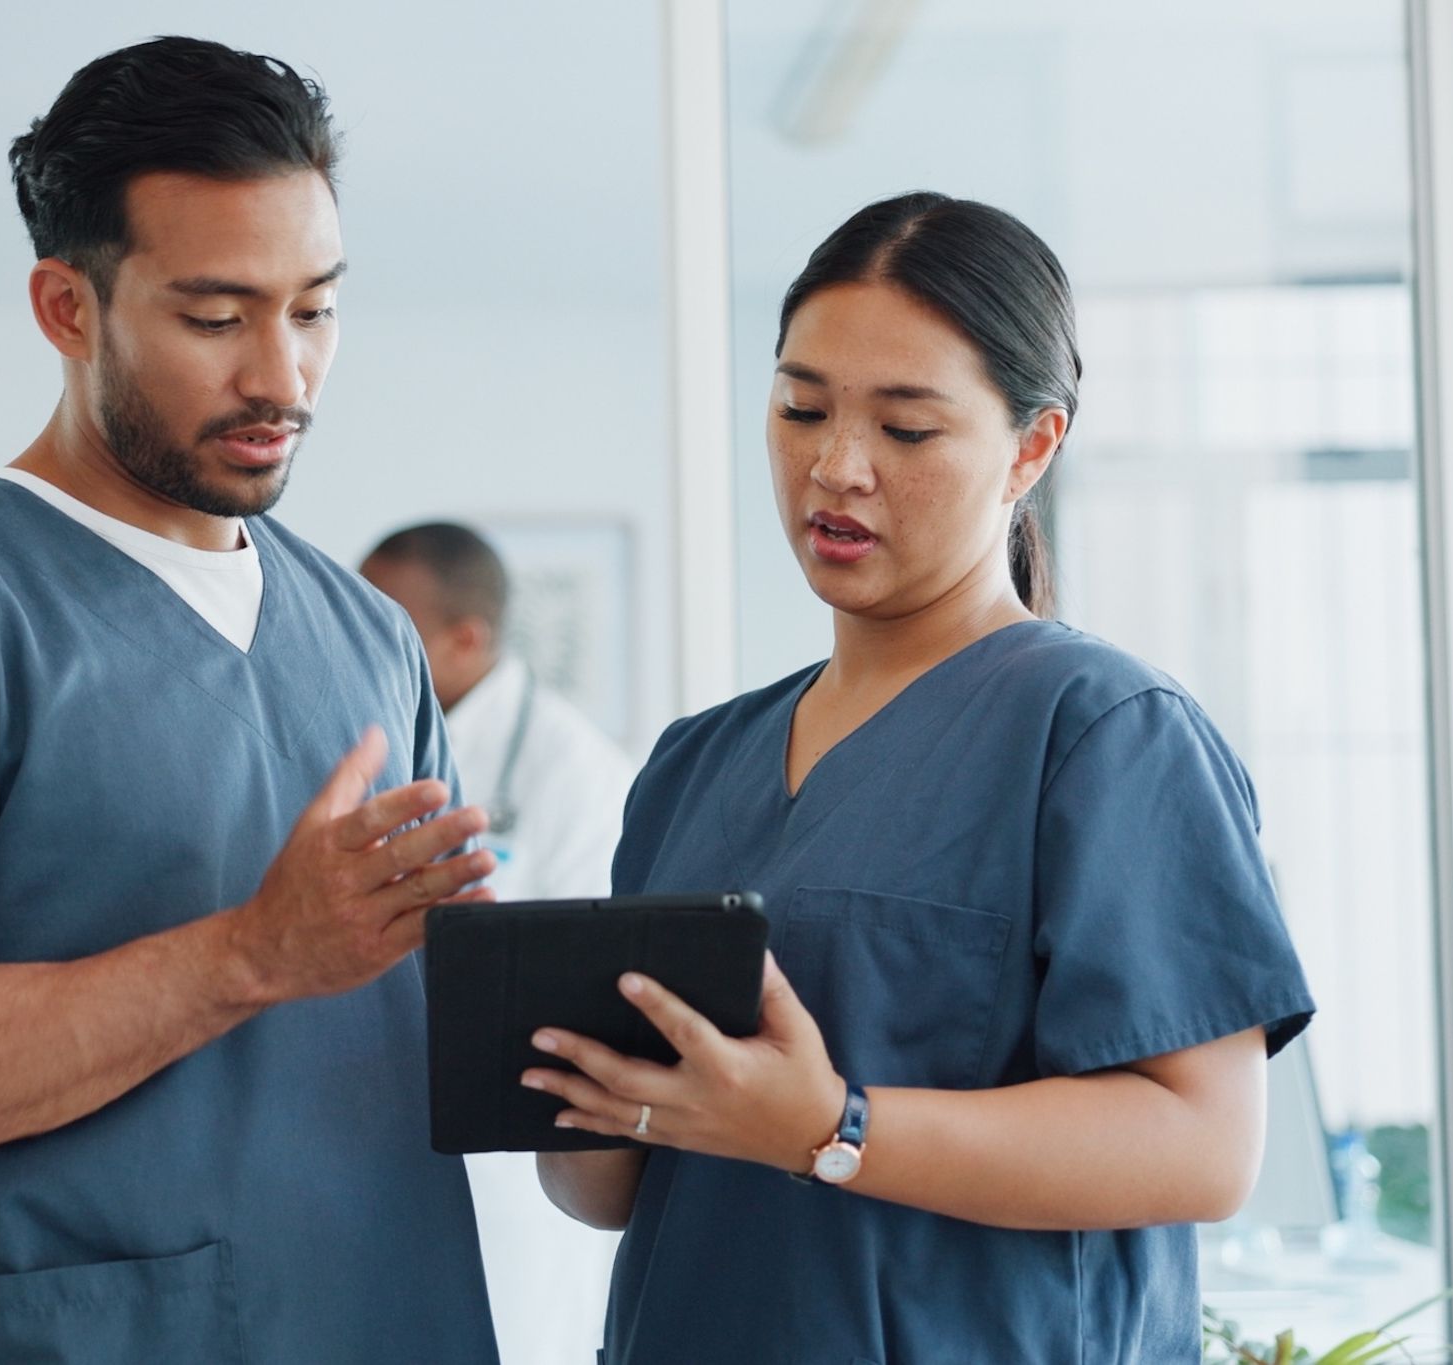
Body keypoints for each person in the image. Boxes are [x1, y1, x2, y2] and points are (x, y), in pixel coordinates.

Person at [0, 38, 503, 1364]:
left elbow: (405, 1026)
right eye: (214, 316)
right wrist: (249, 953)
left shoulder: (366, 635)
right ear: (67, 308)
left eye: (314, 309)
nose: (283, 377)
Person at [529, 193, 1315, 1364]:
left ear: (1031, 448)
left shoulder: (1104, 732)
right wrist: (556, 1065)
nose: (833, 467)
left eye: (904, 431)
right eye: (800, 408)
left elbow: (1203, 1149)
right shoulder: (696, 762)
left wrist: (827, 1129)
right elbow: (605, 1191)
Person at [362, 522, 633, 1365]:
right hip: (371, 1139)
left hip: (513, 1177)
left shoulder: (574, 772)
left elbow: (585, 985)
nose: (360, 641)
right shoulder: (369, 745)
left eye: (386, 622)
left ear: (466, 638)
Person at [360, 522, 635, 901]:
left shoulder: (580, 772)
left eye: (379, 633)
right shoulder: (358, 722)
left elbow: (592, 941)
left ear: (464, 642)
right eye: (351, 622)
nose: (355, 647)